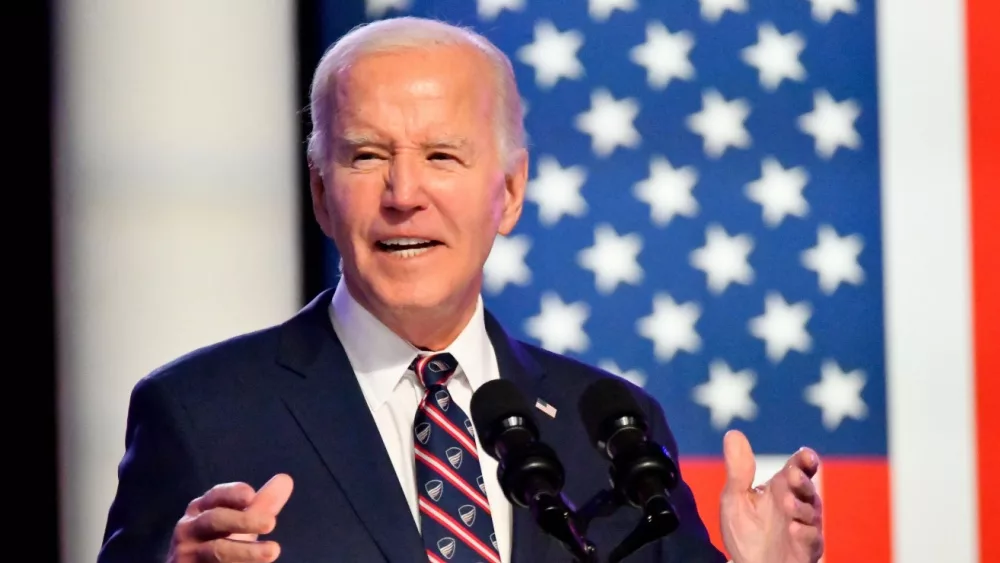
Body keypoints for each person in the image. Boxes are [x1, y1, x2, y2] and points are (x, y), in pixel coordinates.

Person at [97, 16, 823, 563]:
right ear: (320, 193)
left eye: (441, 155)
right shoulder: (198, 412)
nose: (403, 193)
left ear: (508, 192)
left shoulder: (613, 428)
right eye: (366, 155)